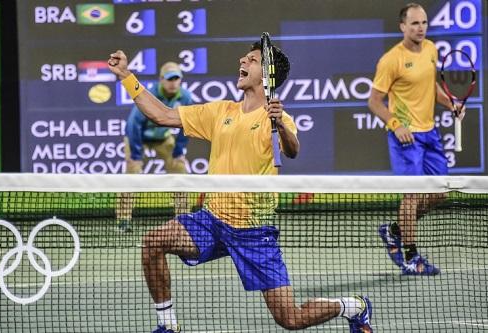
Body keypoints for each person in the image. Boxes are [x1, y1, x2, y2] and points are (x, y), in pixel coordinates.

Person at [108, 42, 373, 332]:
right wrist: (126, 76)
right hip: (211, 220)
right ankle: (168, 324)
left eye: (252, 60)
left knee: (291, 319)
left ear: (267, 76)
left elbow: (292, 150)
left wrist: (279, 125)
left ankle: (353, 306)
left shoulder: (278, 120)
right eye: (245, 57)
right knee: (153, 242)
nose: (242, 61)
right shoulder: (220, 112)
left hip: (253, 232)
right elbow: (161, 115)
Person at [368, 3, 464, 275]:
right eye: (414, 24)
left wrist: (450, 103)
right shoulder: (391, 60)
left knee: (440, 193)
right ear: (403, 27)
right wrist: (396, 125)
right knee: (411, 196)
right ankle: (411, 257)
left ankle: (394, 230)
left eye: (423, 23)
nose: (420, 28)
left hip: (430, 132)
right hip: (405, 137)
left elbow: (430, 86)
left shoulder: (432, 50)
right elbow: (374, 101)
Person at [116, 62, 193, 232]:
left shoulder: (185, 97)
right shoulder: (150, 94)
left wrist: (179, 151)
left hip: (162, 138)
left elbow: (188, 125)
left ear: (180, 80)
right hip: (138, 137)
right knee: (132, 174)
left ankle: (184, 219)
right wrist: (135, 155)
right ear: (161, 80)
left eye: (176, 79)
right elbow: (133, 124)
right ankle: (123, 220)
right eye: (169, 79)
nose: (173, 82)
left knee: (180, 169)